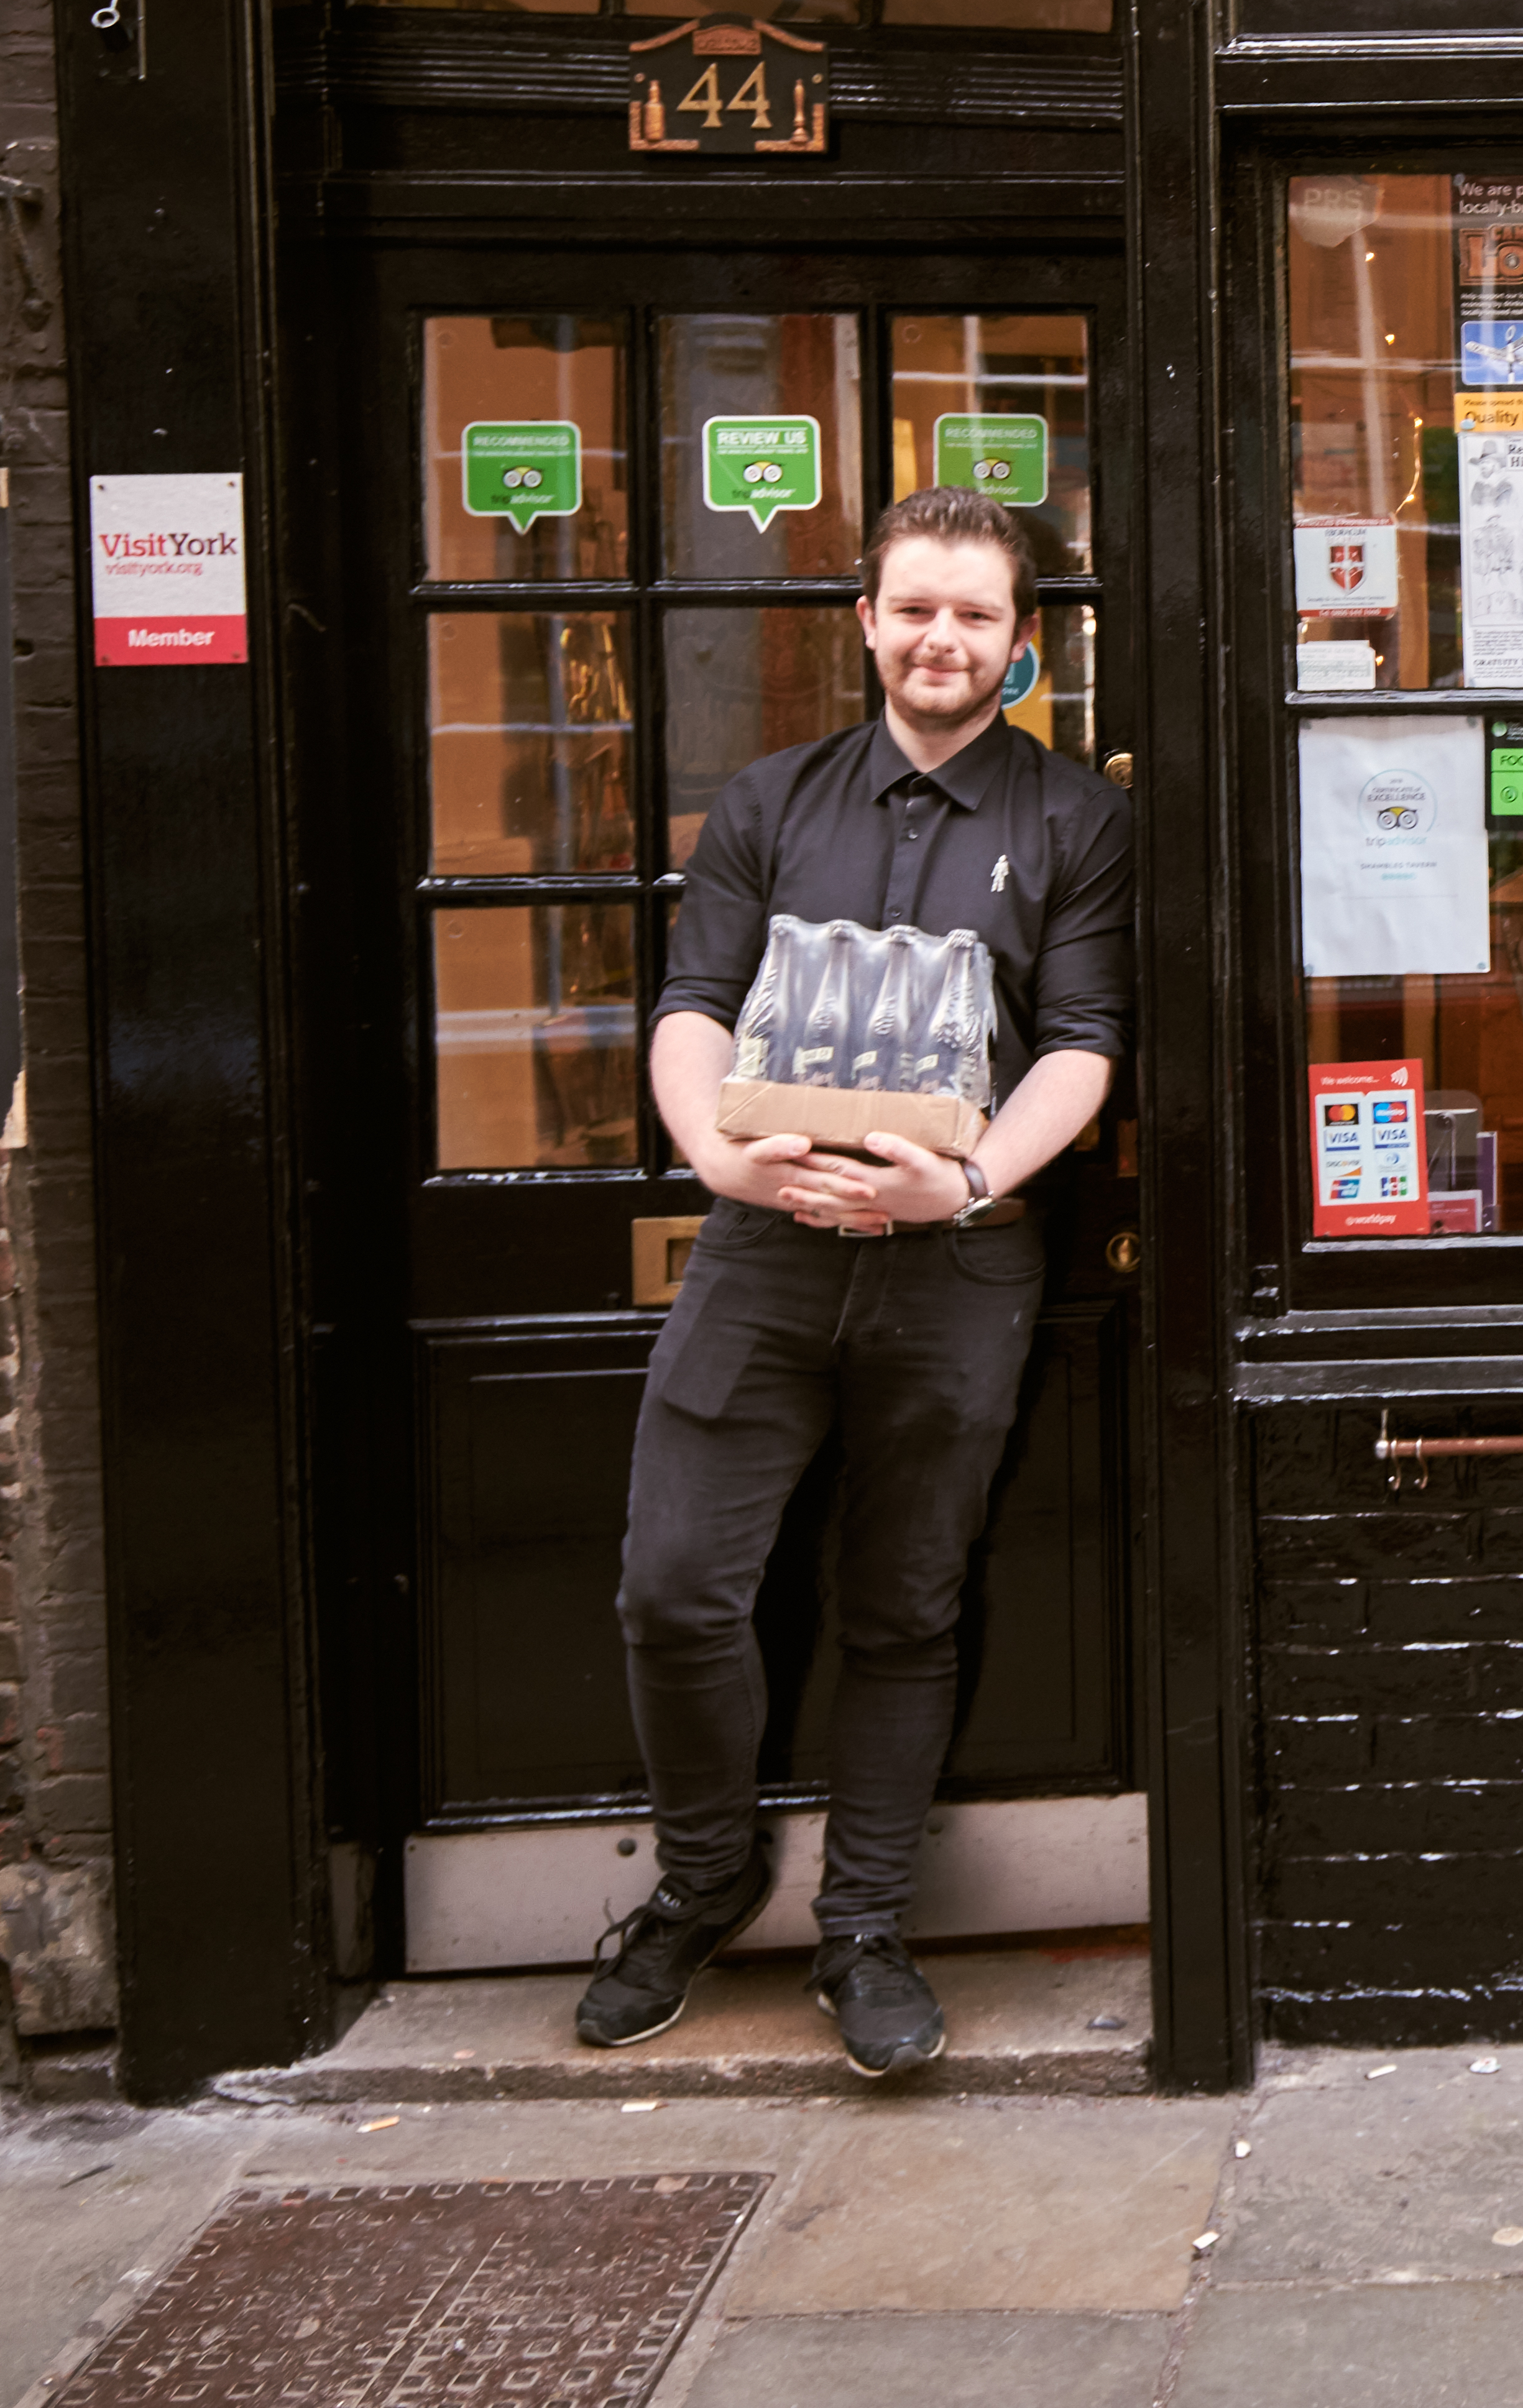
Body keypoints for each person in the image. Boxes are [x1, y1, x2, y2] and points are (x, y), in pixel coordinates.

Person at [573, 480, 1130, 2076]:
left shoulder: (1077, 821)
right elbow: (693, 1003)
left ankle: (867, 1925)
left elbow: (1084, 1043)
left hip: (957, 1267)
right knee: (675, 1587)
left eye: (976, 614)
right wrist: (716, 1155)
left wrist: (972, 1180)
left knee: (903, 1603)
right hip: (762, 1253)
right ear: (868, 621)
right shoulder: (768, 801)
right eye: (917, 608)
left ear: (1020, 642)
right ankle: (705, 1875)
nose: (943, 637)